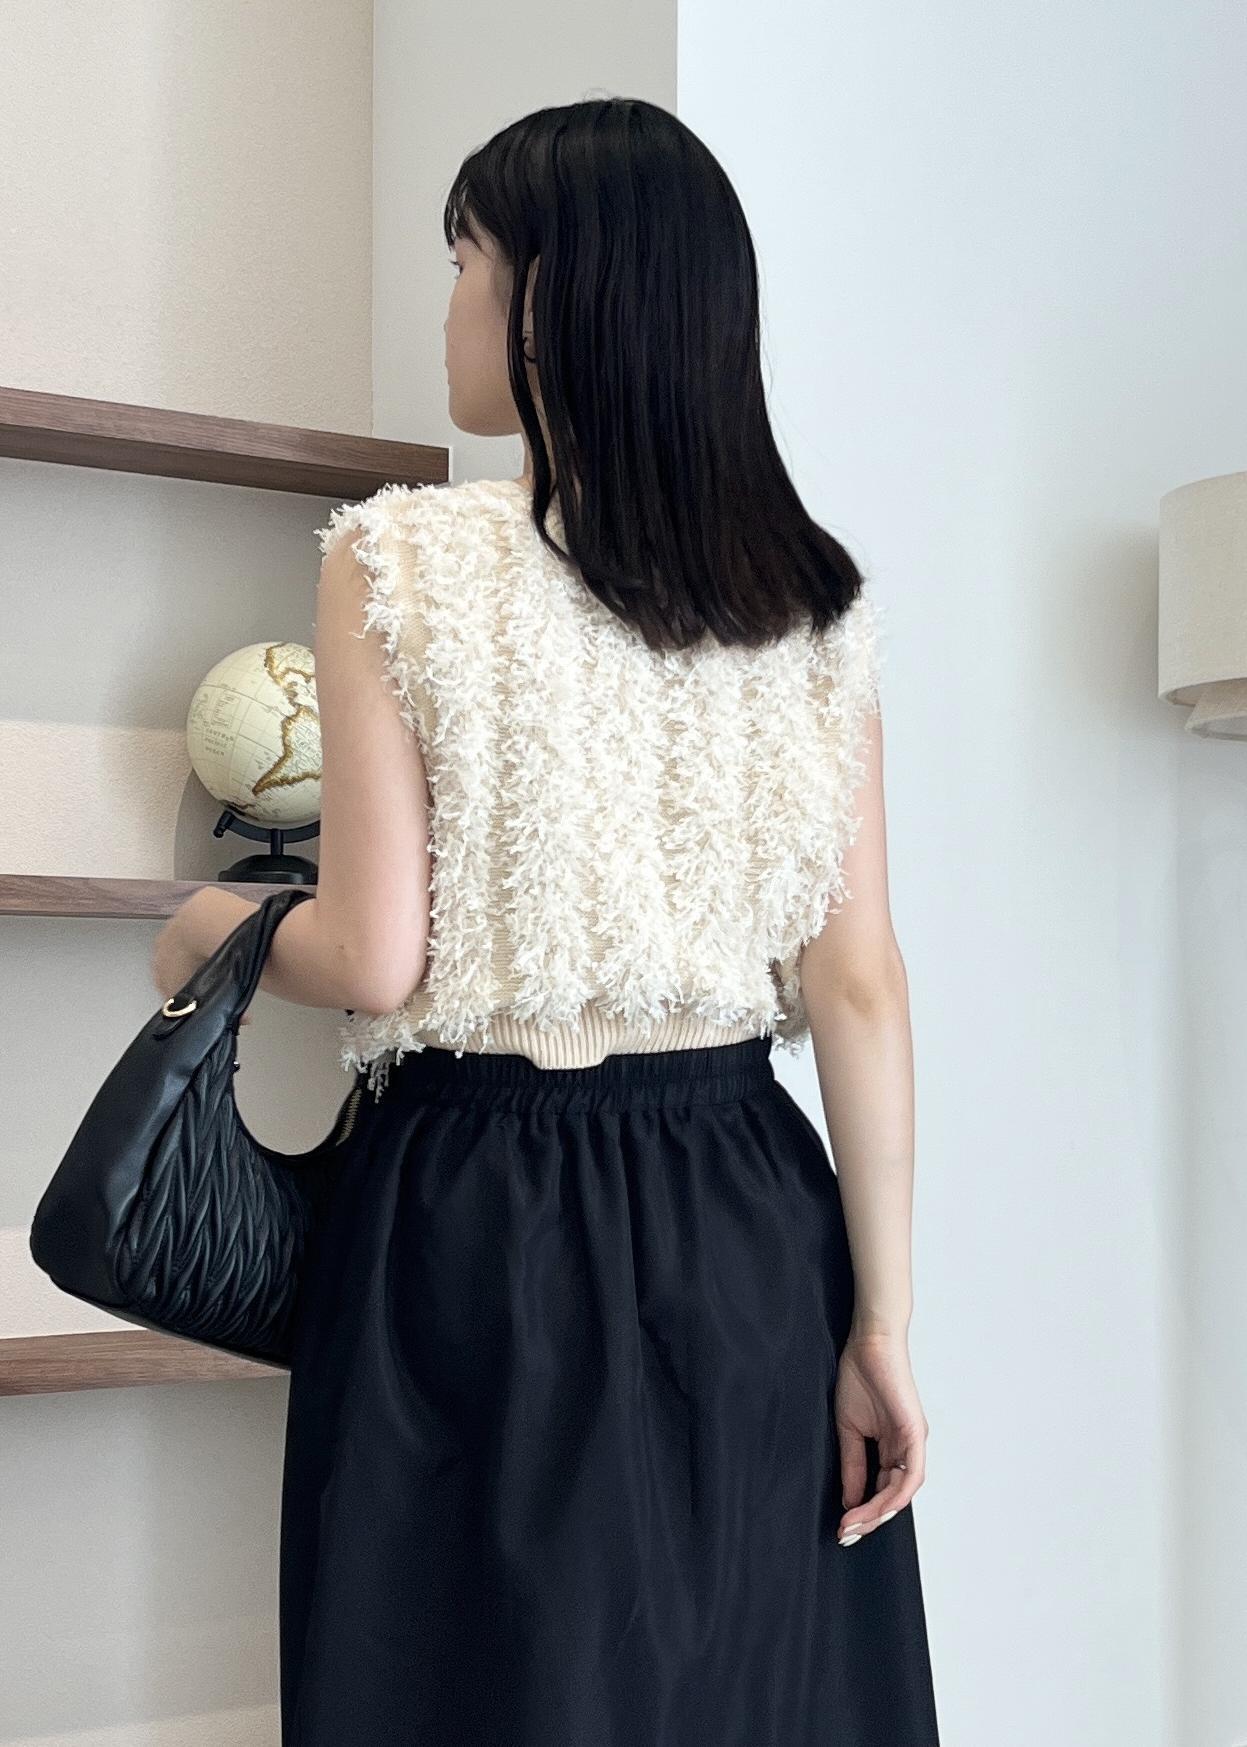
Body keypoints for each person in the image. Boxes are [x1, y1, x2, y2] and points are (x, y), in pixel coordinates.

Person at [162, 94, 939, 1745]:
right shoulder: (809, 600)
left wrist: (205, 933)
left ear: (547, 301)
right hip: (750, 1212)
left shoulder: (399, 562)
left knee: (467, 1696)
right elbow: (859, 984)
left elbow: (375, 956)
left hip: (479, 1210)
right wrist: (879, 1321)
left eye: (462, 262)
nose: (446, 303)